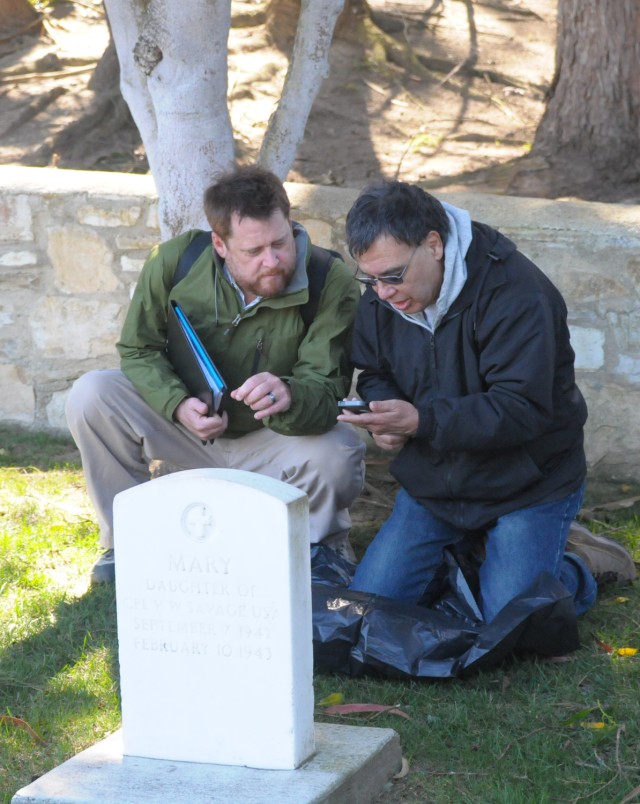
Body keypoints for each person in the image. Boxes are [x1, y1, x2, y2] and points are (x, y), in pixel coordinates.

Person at [338, 179, 635, 624]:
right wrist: (385, 412)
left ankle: (581, 565)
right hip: (436, 483)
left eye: (393, 276)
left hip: (526, 484)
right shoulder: (388, 291)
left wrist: (421, 422)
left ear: (434, 245)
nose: (382, 293)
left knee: (513, 622)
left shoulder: (518, 293)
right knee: (369, 611)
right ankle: (478, 553)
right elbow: (375, 370)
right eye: (370, 279)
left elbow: (521, 409)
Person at [67, 165, 366, 583]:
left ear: (290, 221)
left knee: (339, 450)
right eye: (254, 251)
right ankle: (127, 541)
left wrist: (290, 395)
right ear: (220, 244)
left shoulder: (328, 279)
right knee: (91, 393)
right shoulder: (175, 261)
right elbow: (139, 350)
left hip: (275, 440)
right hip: (191, 433)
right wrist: (176, 404)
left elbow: (328, 389)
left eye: (280, 242)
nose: (273, 260)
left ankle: (317, 553)